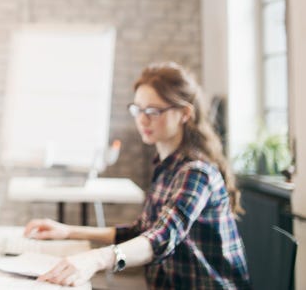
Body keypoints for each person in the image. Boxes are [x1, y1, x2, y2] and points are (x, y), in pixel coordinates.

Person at [23, 61, 251, 288]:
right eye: (138, 109)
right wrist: (67, 231)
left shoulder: (196, 173)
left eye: (153, 111)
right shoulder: (165, 167)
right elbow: (142, 231)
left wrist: (96, 258)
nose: (142, 119)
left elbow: (161, 237)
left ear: (185, 113)